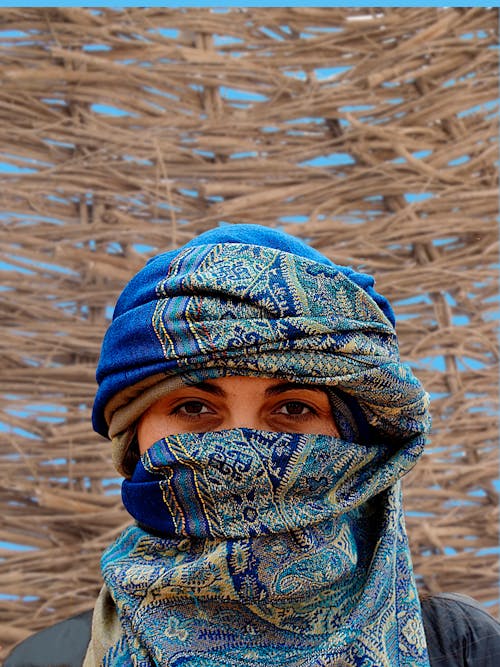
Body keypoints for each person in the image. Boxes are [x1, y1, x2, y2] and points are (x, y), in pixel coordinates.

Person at [5, 224, 500, 666]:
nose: (242, 448)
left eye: (293, 409)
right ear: (133, 435)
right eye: (194, 409)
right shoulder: (54, 660)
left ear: (357, 441)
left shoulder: (462, 649)